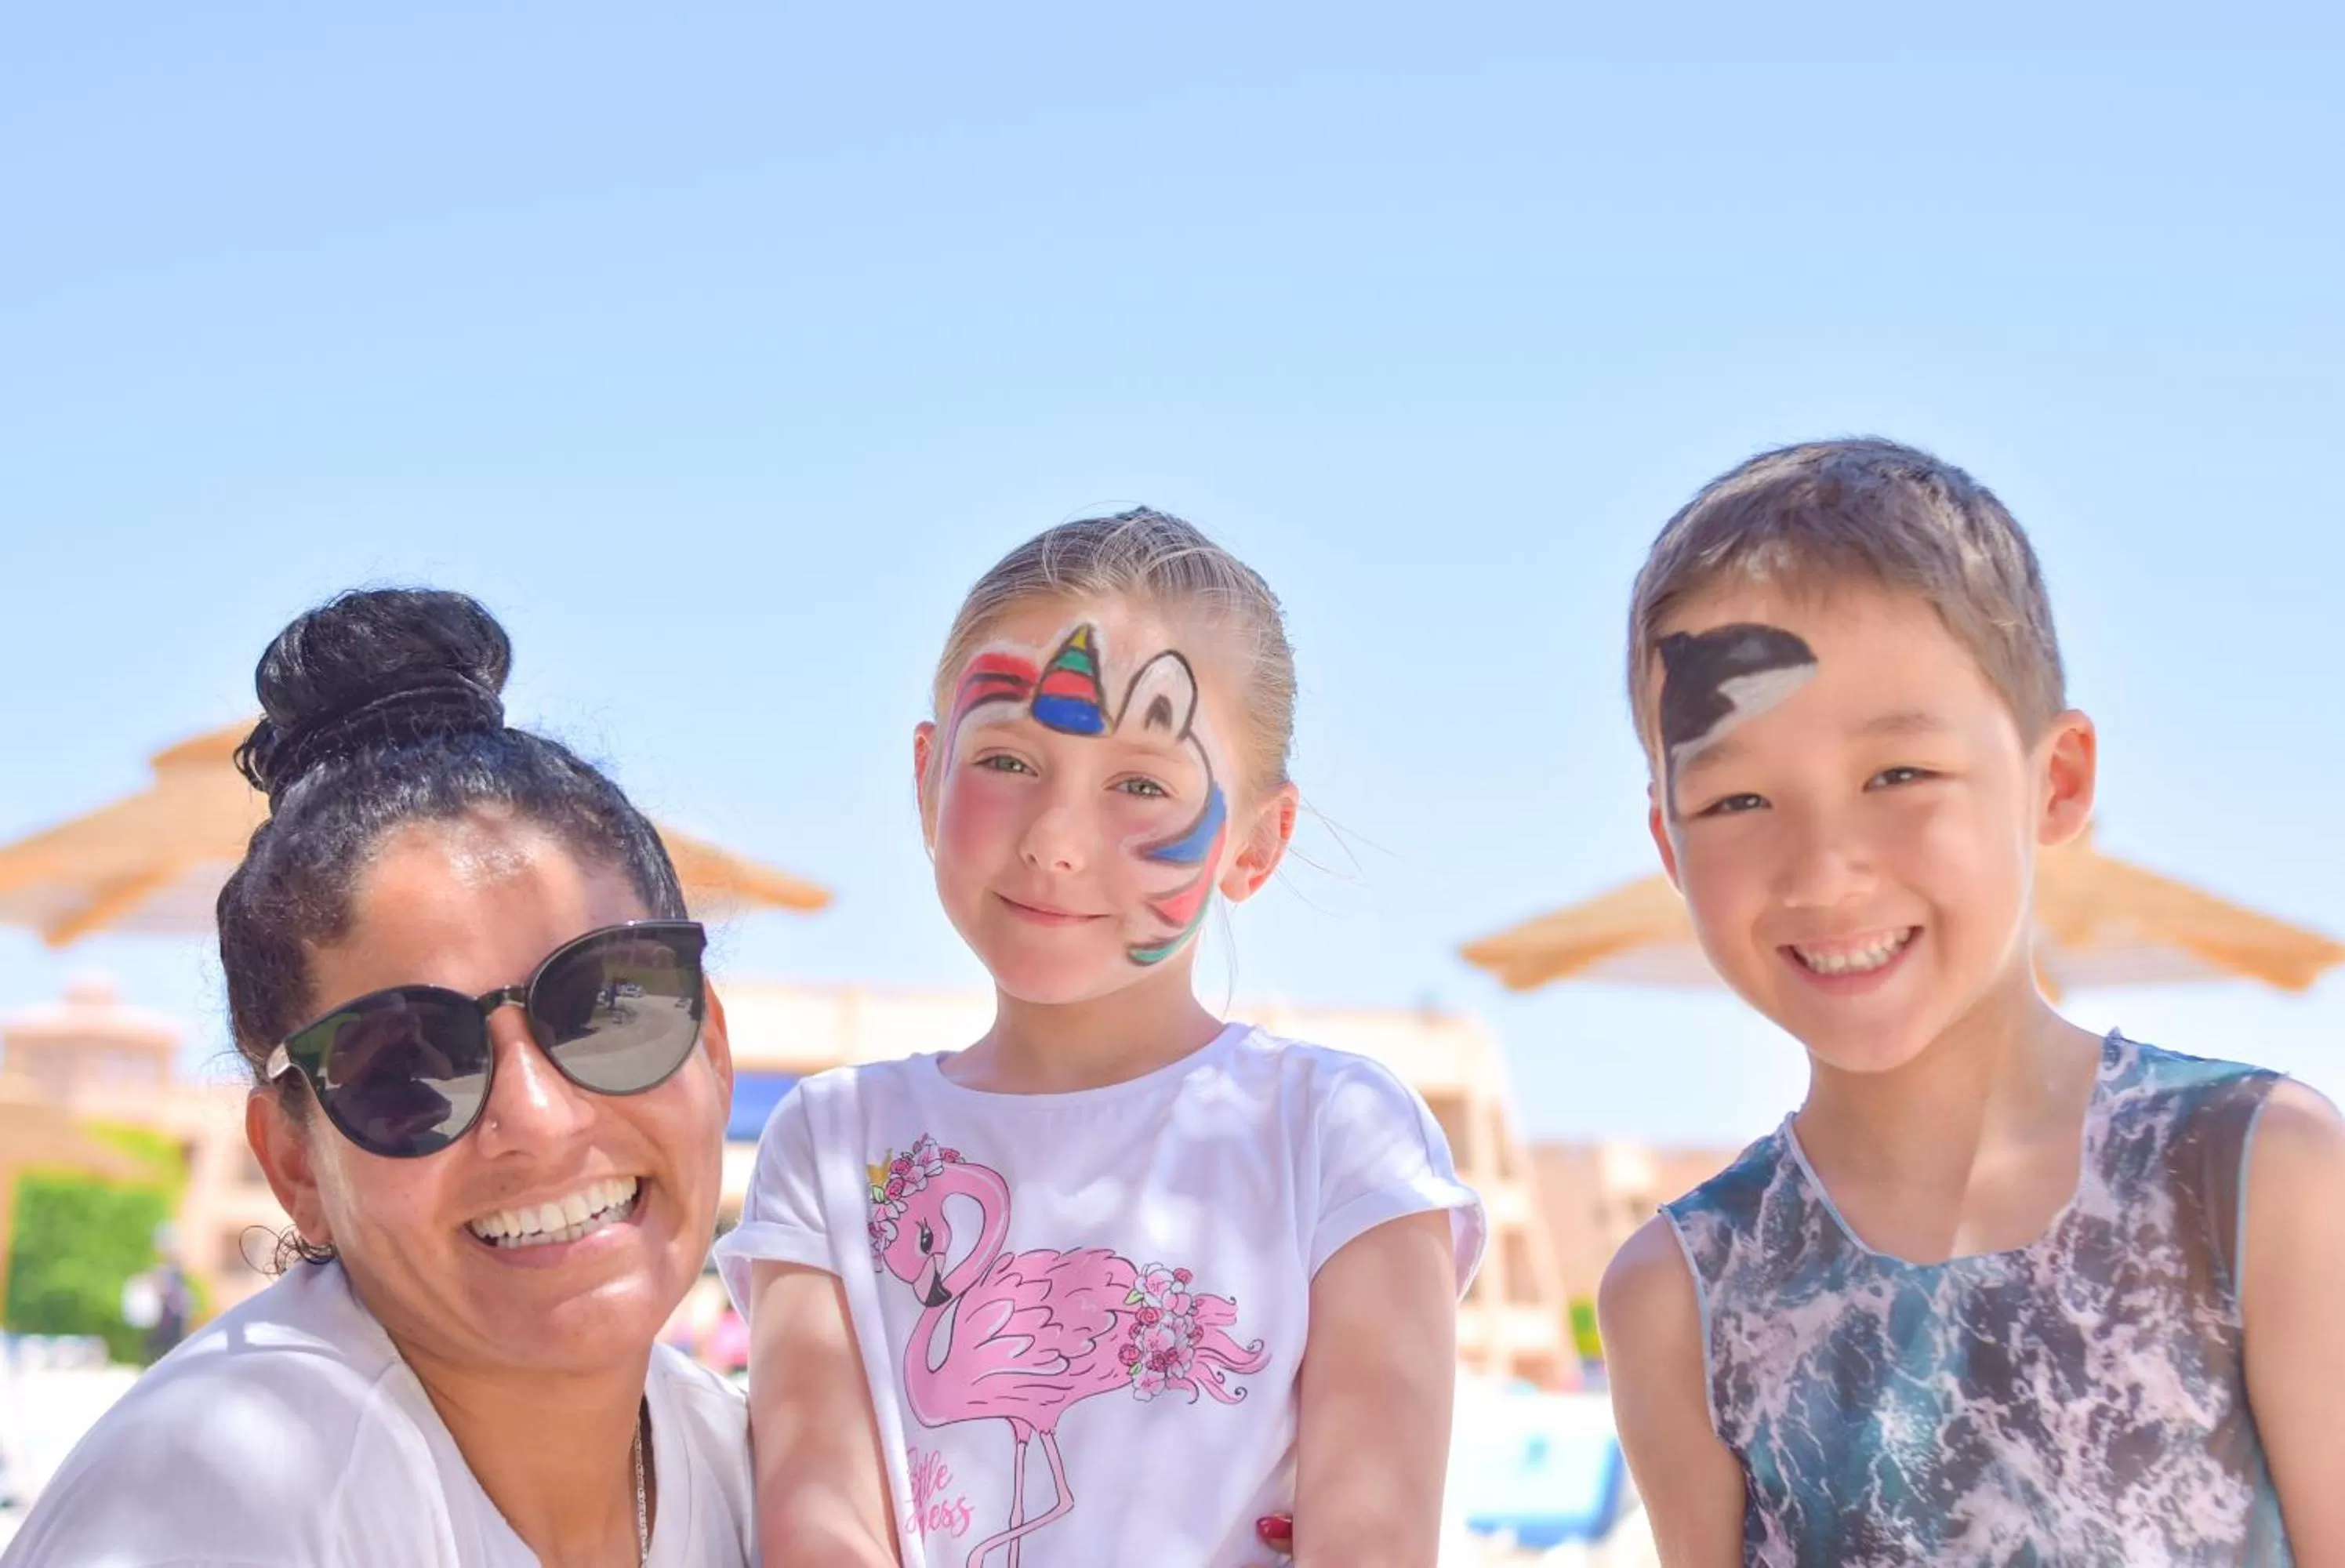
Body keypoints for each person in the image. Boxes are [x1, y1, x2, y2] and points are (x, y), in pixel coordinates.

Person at [1596, 440, 2345, 1566]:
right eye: (1737, 798)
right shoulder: (1682, 1296)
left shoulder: (2253, 1175)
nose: (1824, 871)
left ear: (2056, 780)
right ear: (1669, 840)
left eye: (1897, 775)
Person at [718, 509, 1486, 1567]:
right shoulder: (832, 1145)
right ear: (926, 778)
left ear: (1255, 845)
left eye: (1139, 784)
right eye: (1006, 759)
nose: (1056, 839)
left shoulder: (1339, 1139)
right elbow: (820, 1528)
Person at [3, 589, 756, 1567]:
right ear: (294, 1163)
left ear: (712, 1047)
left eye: (609, 1004)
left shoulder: (748, 1469)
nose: (539, 1116)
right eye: (409, 1061)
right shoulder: (229, 1494)